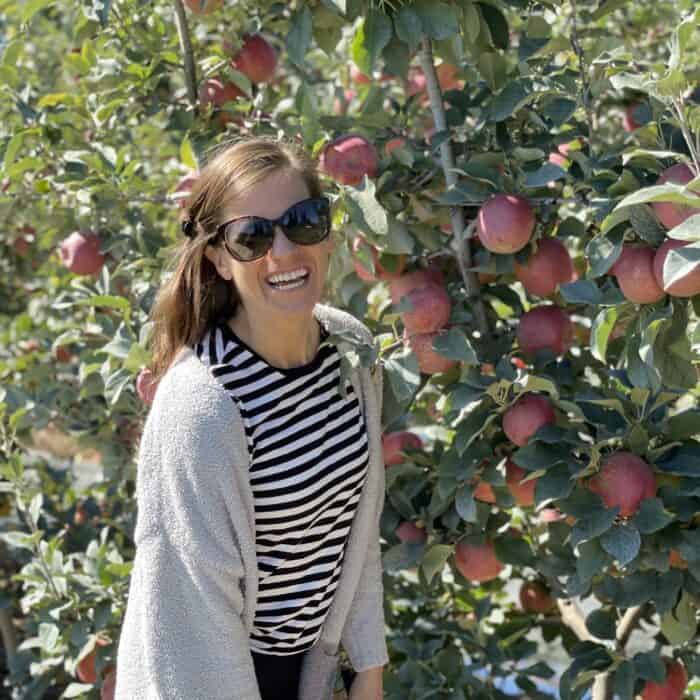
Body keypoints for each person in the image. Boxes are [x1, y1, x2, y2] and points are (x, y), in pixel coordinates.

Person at [114, 137, 389, 700]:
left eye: (303, 221)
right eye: (252, 236)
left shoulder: (352, 354)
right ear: (217, 256)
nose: (283, 251)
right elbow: (193, 616)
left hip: (309, 671)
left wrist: (370, 669)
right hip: (214, 675)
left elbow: (359, 535)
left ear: (329, 230)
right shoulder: (203, 407)